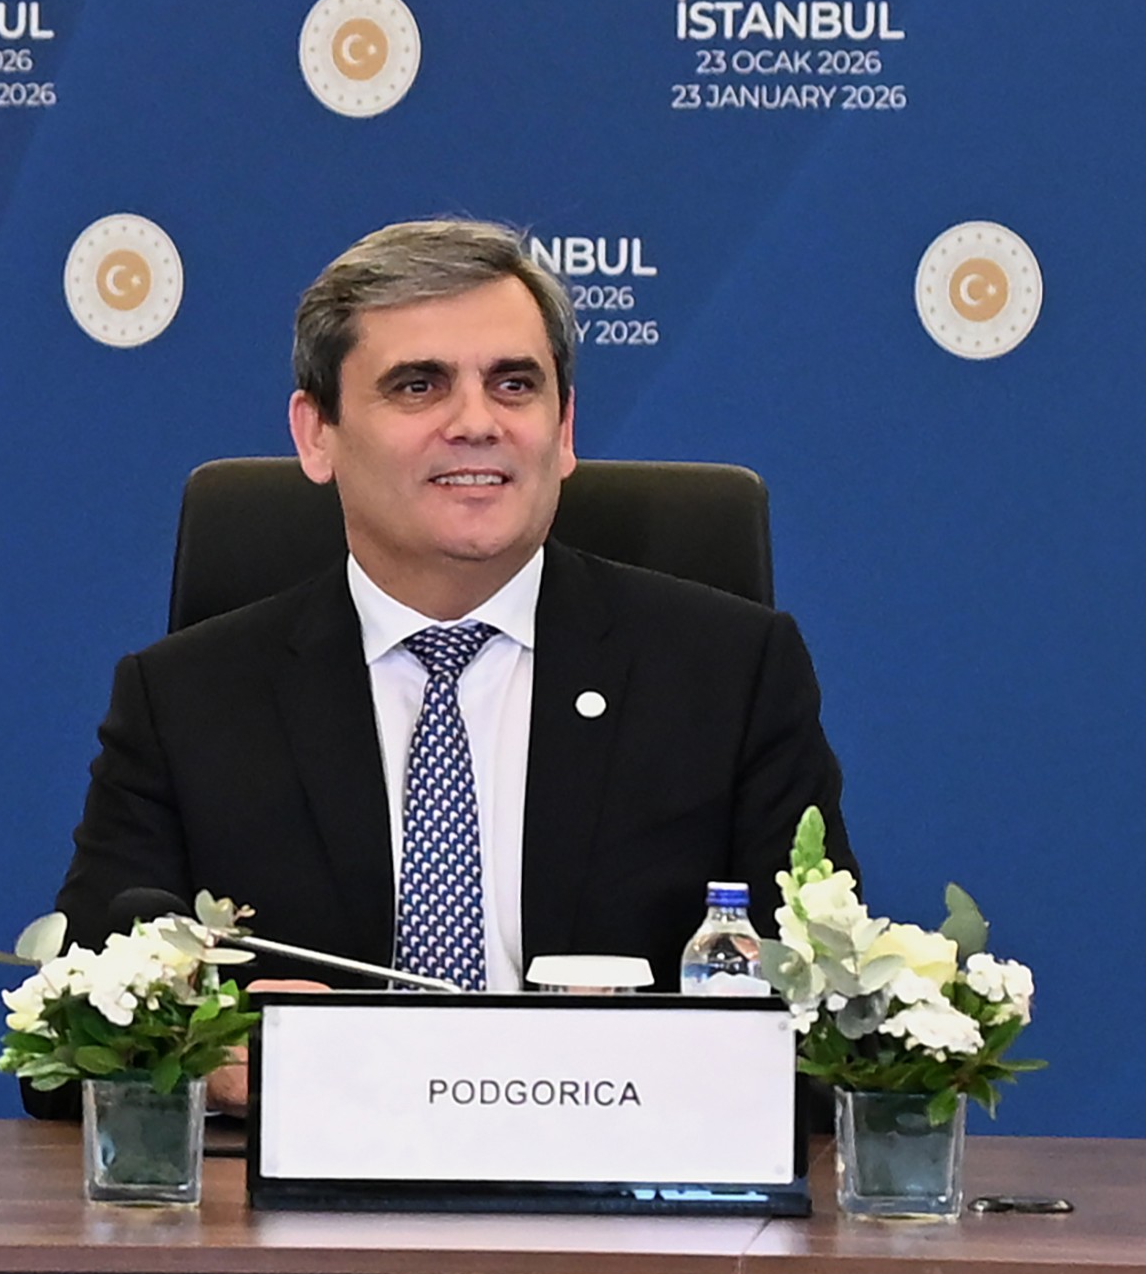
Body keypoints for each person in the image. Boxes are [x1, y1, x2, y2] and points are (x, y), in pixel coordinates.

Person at [51, 217, 845, 1067]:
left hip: (622, 1142)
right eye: (419, 385)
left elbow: (828, 1030)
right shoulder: (184, 702)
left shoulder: (730, 675)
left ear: (564, 430)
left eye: (514, 384)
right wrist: (214, 1055)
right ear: (316, 434)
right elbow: (71, 1037)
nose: (476, 421)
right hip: (317, 1149)